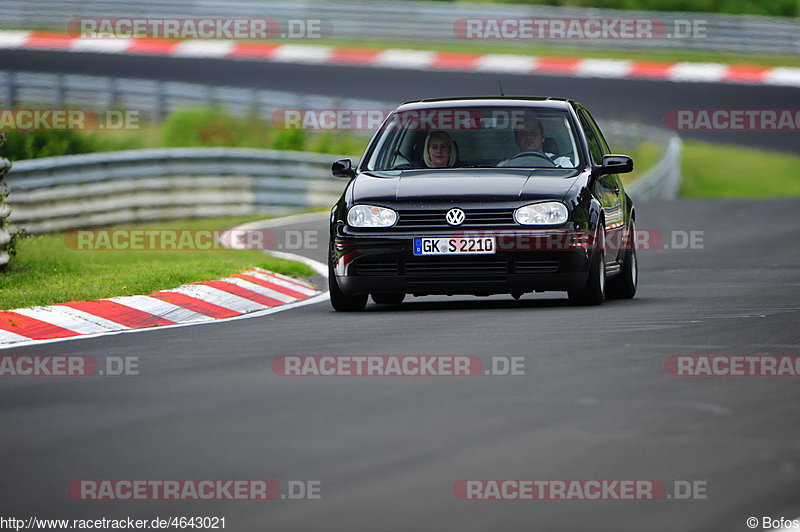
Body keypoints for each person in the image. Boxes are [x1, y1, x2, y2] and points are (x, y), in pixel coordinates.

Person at [504, 112, 573, 168]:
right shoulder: (505, 166)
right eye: (523, 134)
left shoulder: (561, 163)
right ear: (517, 140)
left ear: (542, 138)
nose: (528, 137)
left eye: (533, 133)